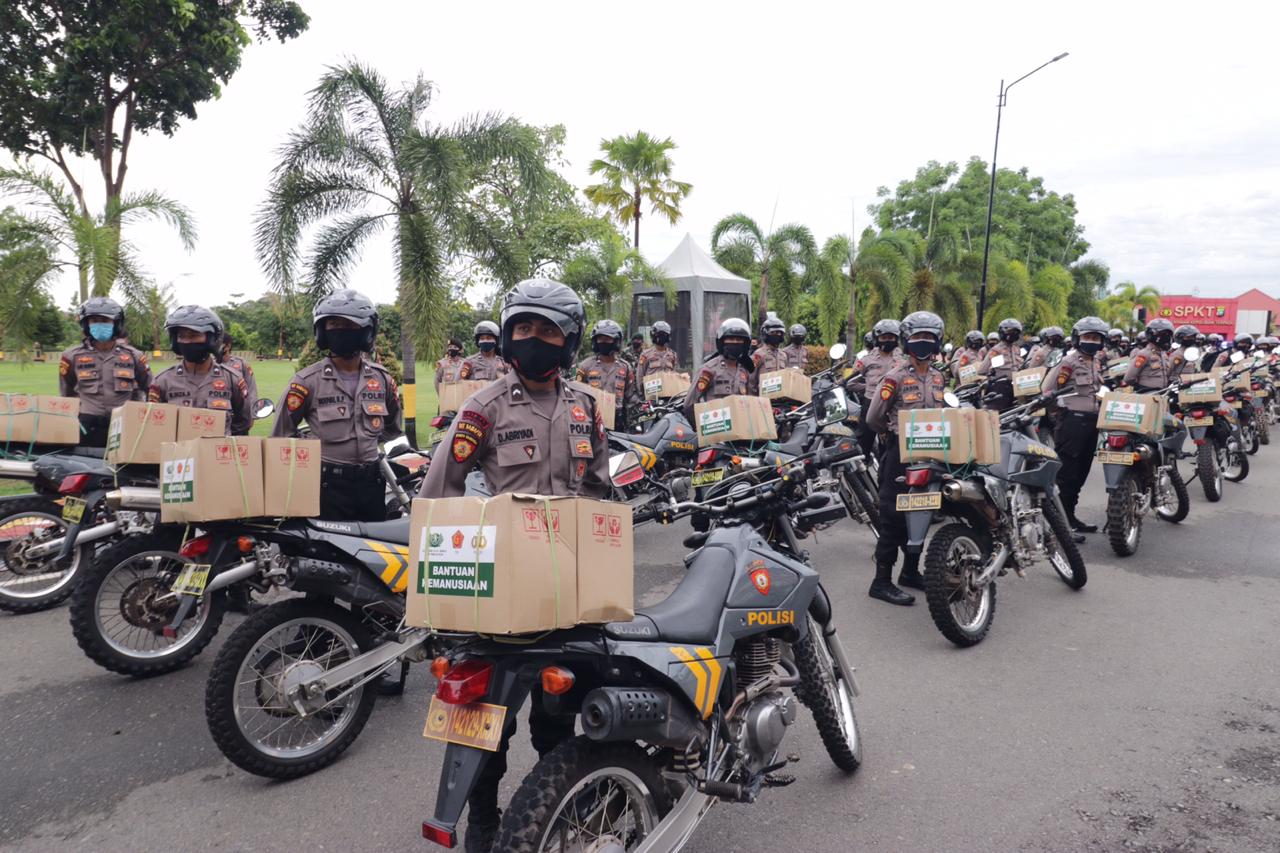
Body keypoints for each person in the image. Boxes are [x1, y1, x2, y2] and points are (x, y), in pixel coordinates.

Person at [417, 279, 606, 851]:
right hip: (500, 585)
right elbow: (440, 491)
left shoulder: (585, 406)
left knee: (560, 705)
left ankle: (560, 795)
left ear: (568, 341)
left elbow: (598, 489)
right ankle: (482, 820)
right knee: (485, 719)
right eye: (523, 329)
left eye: (548, 331)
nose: (534, 340)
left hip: (566, 584)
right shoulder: (484, 406)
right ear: (506, 335)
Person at [272, 289, 403, 522]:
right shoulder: (306, 382)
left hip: (371, 483)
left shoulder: (382, 379)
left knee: (374, 551)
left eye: (349, 325)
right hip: (327, 486)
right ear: (322, 332)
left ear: (367, 332)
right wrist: (313, 448)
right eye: (333, 324)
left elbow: (392, 426)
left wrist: (365, 440)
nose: (341, 331)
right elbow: (281, 436)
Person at [864, 311, 948, 606]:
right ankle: (881, 581)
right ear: (906, 342)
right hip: (900, 453)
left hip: (931, 452)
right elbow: (873, 417)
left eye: (929, 338)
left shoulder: (939, 376)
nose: (922, 343)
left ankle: (910, 572)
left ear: (937, 342)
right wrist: (889, 435)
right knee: (893, 516)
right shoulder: (895, 377)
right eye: (916, 338)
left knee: (922, 510)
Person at [1043, 317, 1109, 537]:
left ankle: (1070, 517)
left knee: (1081, 474)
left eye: (1095, 338)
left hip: (1092, 423)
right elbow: (1047, 390)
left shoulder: (1095, 362)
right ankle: (1060, 525)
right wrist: (1058, 414)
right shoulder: (1068, 362)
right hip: (1072, 423)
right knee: (1067, 476)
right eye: (1087, 337)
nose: (1091, 341)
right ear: (1077, 339)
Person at [58, 297, 151, 447]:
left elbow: (149, 388)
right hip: (86, 424)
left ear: (116, 324)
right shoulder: (71, 356)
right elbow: (66, 392)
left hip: (124, 423)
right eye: (94, 320)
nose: (99, 324)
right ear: (86, 324)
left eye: (105, 320)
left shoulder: (134, 356)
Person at [149, 306, 252, 435]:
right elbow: (153, 426)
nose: (187, 341)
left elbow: (242, 424)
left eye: (194, 335)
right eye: (182, 336)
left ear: (211, 339)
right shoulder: (162, 381)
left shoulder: (232, 380)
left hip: (216, 453)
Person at [683, 318, 757, 423]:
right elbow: (689, 404)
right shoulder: (709, 369)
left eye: (739, 340)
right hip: (716, 430)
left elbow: (750, 402)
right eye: (730, 339)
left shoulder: (745, 371)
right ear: (722, 342)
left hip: (741, 430)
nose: (735, 343)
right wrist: (700, 428)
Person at [848, 319, 902, 457]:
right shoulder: (866, 360)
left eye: (891, 337)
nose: (887, 340)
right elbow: (850, 383)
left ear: (896, 338)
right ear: (877, 338)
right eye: (884, 337)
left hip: (894, 407)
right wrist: (871, 389)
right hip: (871, 403)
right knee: (863, 442)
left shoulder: (902, 360)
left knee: (891, 445)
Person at [574, 319, 640, 429]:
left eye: (608, 339)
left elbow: (629, 395)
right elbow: (577, 395)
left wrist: (641, 405)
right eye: (600, 339)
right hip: (591, 419)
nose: (603, 342)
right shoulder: (585, 366)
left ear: (616, 341)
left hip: (617, 421)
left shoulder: (625, 367)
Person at [979, 318, 1025, 411]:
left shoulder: (1017, 349)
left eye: (1016, 332)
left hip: (1016, 386)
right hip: (1000, 386)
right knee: (997, 413)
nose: (1013, 334)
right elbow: (983, 369)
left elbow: (1020, 366)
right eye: (1011, 332)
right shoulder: (996, 350)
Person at [1123, 319, 1173, 393]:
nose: (1166, 337)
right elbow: (1129, 378)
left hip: (1162, 393)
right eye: (1163, 334)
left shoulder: (1163, 354)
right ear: (1152, 334)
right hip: (1147, 394)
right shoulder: (1144, 354)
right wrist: (1140, 387)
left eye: (1167, 334)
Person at [218, 333, 259, 411]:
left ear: (228, 346)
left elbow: (251, 388)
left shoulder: (241, 363)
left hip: (237, 410)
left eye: (220, 344)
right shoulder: (210, 364)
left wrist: (253, 412)